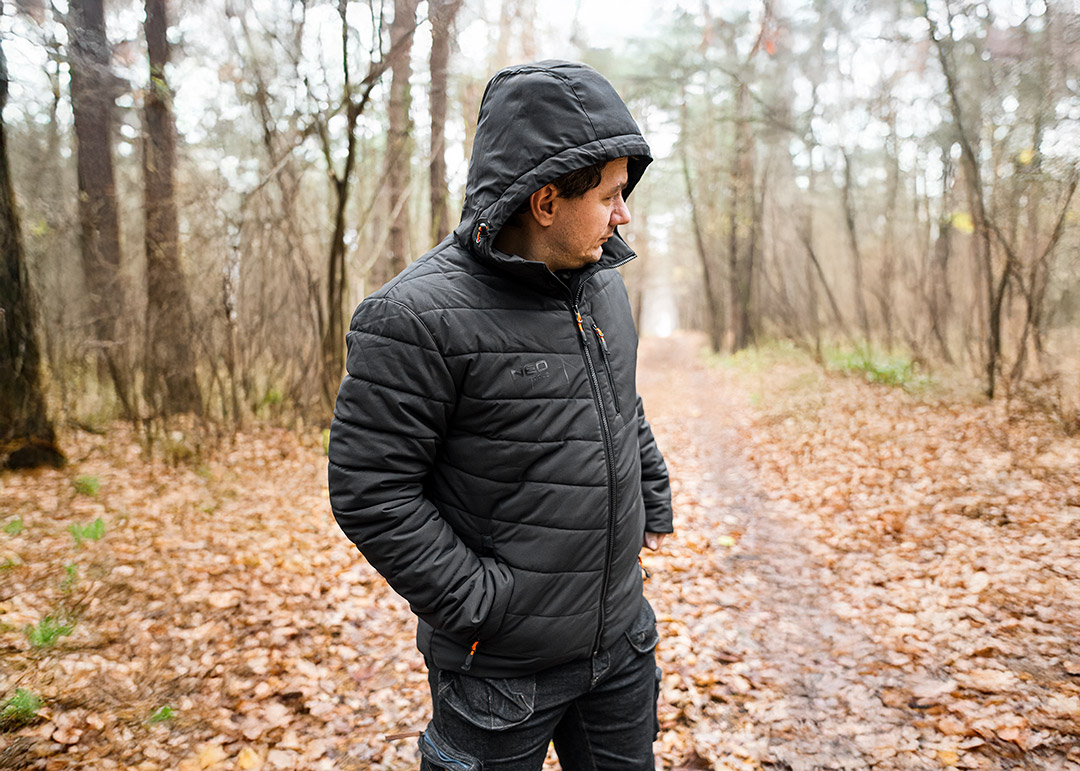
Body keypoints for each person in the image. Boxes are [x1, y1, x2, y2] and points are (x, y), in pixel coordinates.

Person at [327, 60, 673, 770]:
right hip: (500, 677)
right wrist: (484, 605)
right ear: (545, 201)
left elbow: (620, 400)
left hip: (621, 646)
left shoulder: (602, 287)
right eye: (609, 195)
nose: (623, 214)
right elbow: (371, 489)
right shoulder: (413, 317)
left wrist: (654, 494)